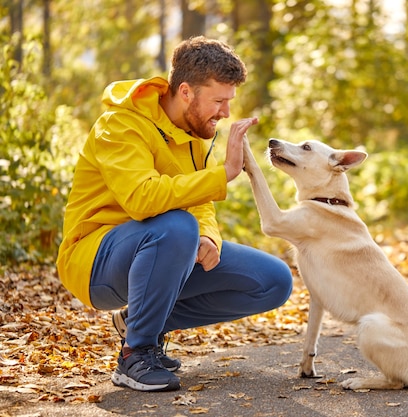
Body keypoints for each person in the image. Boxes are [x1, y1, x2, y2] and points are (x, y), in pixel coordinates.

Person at [56, 36, 293, 392]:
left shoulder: (192, 132)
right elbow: (141, 198)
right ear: (186, 92)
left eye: (229, 102)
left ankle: (140, 323)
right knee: (177, 226)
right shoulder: (120, 125)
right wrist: (224, 173)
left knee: (273, 280)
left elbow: (199, 203)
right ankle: (135, 354)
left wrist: (209, 237)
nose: (225, 113)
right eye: (219, 101)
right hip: (96, 260)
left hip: (164, 249)